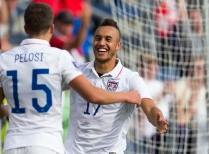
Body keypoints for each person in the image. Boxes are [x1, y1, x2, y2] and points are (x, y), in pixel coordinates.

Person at [0, 3, 140, 154]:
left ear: (25, 28)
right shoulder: (59, 57)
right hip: (47, 145)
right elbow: (93, 95)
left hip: (13, 146)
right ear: (51, 28)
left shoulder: (5, 59)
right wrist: (125, 95)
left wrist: (15, 109)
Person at [64, 18, 169, 154]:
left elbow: (149, 107)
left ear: (118, 45)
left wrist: (157, 118)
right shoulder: (77, 72)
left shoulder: (130, 78)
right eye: (98, 38)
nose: (102, 43)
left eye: (108, 39)